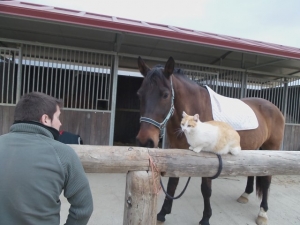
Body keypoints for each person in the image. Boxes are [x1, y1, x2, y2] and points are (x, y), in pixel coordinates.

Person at [0, 92, 93, 225]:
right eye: (58, 117)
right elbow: (84, 208)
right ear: (45, 119)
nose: (60, 123)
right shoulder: (63, 153)